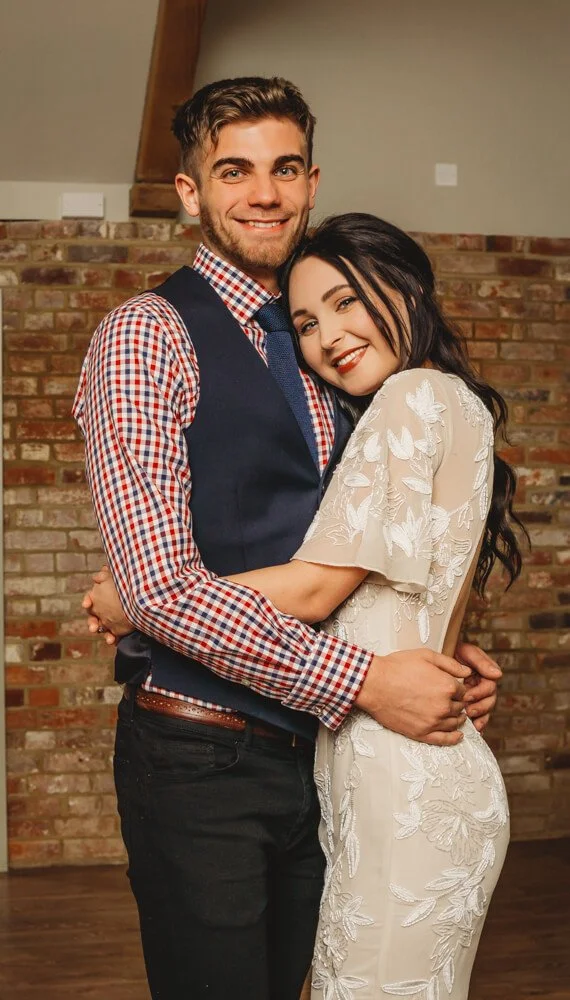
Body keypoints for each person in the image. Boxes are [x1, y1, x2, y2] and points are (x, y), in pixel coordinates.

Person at [75, 77, 502, 1000]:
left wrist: (436, 649)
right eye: (234, 171)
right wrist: (369, 678)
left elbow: (369, 551)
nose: (263, 193)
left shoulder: (344, 361)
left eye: (284, 168)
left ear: (312, 182)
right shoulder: (148, 335)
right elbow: (160, 583)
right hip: (201, 752)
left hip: (324, 753)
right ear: (191, 192)